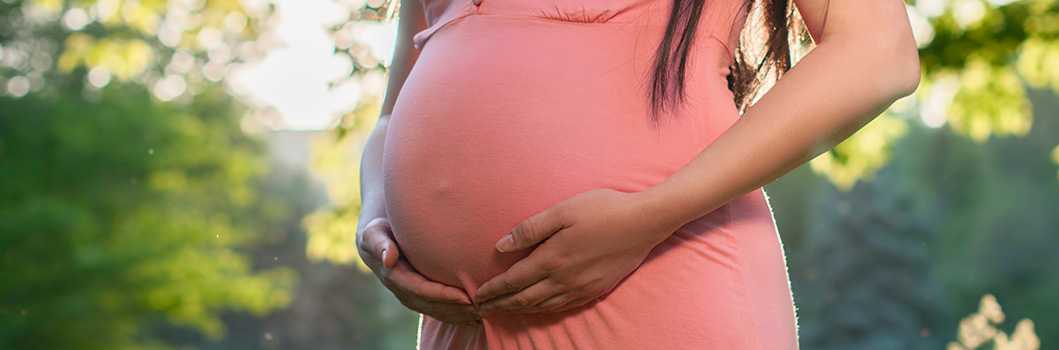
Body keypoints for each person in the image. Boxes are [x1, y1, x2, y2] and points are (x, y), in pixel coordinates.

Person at [355, 0, 919, 348]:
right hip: (467, 319)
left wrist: (650, 216)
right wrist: (377, 208)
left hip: (655, 271)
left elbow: (878, 51)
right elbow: (392, 110)